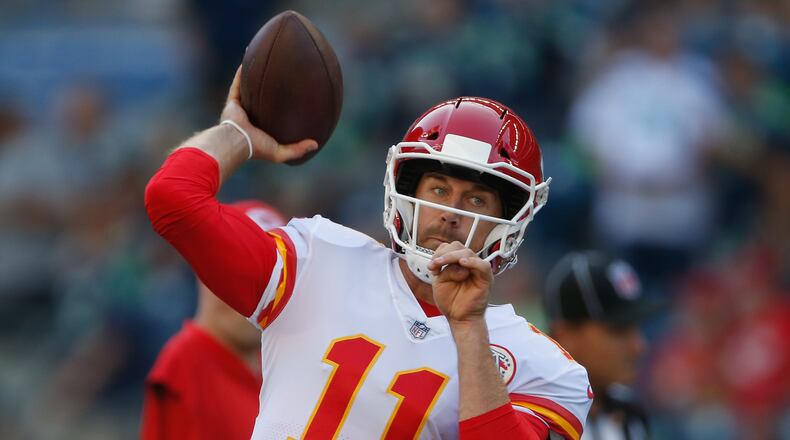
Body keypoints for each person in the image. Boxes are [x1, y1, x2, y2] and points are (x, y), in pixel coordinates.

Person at [145, 67, 592, 439]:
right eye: (438, 189)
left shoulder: (541, 365)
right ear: (403, 193)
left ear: (508, 223)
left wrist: (470, 329)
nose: (450, 214)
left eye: (477, 200)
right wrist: (236, 134)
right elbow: (172, 200)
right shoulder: (315, 261)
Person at [141, 200, 286, 440]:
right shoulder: (186, 363)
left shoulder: (280, 368)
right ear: (204, 268)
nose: (251, 302)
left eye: (268, 283)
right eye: (236, 275)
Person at [544, 251, 660, 440]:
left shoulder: (630, 413)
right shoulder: (530, 416)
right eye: (618, 330)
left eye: (636, 328)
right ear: (564, 335)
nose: (639, 346)